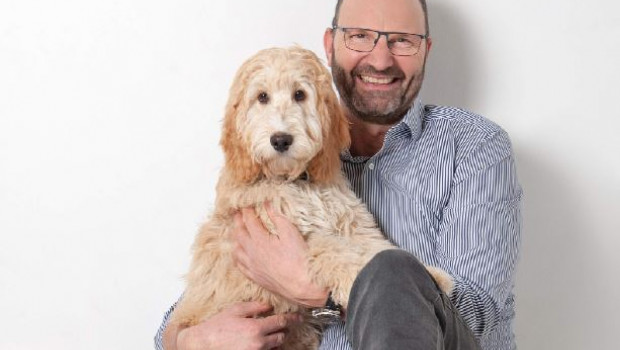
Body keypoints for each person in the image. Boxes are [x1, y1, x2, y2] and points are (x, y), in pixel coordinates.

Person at [155, 0, 522, 349]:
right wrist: (190, 341)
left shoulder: (474, 147)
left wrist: (314, 288)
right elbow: (189, 307)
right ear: (331, 45)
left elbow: (476, 316)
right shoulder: (284, 166)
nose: (380, 60)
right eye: (360, 35)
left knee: (391, 270)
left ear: (425, 50)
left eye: (402, 41)